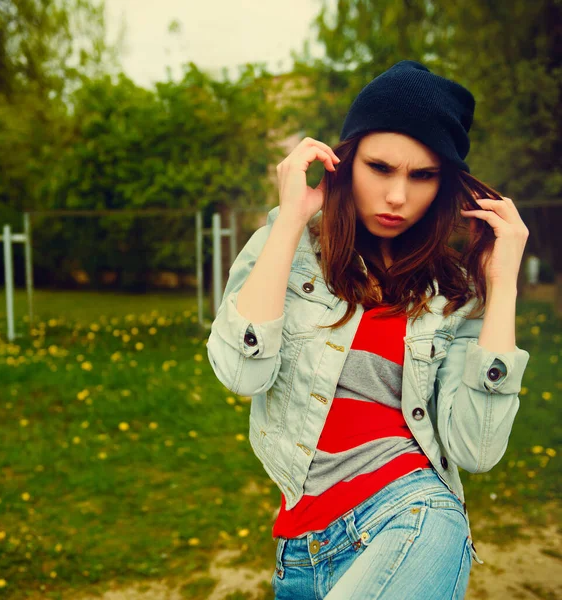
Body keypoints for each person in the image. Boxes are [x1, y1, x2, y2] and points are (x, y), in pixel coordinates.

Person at [206, 60, 531, 599]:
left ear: (443, 184)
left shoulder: (459, 295)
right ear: (345, 160)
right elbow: (240, 372)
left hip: (413, 514)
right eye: (380, 167)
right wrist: (288, 222)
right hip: (300, 548)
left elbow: (476, 449)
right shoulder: (288, 249)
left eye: (422, 175)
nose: (398, 196)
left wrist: (502, 288)